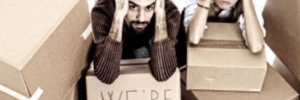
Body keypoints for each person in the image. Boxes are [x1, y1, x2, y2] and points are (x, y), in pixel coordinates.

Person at [91, 0, 181, 84]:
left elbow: (162, 74)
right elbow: (106, 76)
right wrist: (118, 16)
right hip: (118, 46)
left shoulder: (169, 12)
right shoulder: (103, 10)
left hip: (148, 43)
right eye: (133, 7)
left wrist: (160, 14)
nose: (141, 18)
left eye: (148, 7)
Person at [184, 0, 266, 53]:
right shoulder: (196, 1)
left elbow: (256, 46)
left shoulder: (249, 5)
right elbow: (194, 37)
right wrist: (204, 2)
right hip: (190, 58)